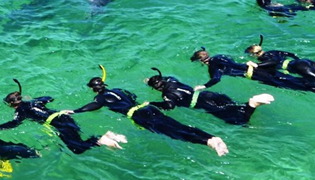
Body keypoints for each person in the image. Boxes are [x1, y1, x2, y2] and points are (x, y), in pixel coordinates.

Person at [61, 66, 229, 156]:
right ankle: (211, 138)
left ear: (93, 89)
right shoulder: (119, 90)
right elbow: (132, 95)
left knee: (174, 133)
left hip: (139, 116)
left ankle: (208, 142)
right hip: (148, 108)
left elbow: (94, 106)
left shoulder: (101, 98)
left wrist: (75, 111)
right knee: (178, 126)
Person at [0, 79, 126, 154]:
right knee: (78, 141)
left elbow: (14, 123)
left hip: (58, 124)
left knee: (76, 148)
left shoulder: (21, 111)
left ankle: (102, 139)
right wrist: (33, 99)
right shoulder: (34, 102)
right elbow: (49, 98)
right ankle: (105, 137)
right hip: (64, 117)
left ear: (11, 104)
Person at [190, 47, 315, 100]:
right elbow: (232, 64)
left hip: (258, 75)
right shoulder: (220, 56)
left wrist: (204, 86)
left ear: (201, 61)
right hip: (262, 70)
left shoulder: (213, 66)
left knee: (293, 86)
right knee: (291, 80)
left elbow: (217, 78)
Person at [144, 67, 274, 125]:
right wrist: (151, 79)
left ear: (156, 88)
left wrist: (151, 103)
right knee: (233, 106)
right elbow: (167, 77)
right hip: (208, 95)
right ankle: (249, 104)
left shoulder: (167, 94)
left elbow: (169, 106)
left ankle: (253, 104)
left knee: (237, 120)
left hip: (204, 103)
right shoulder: (172, 80)